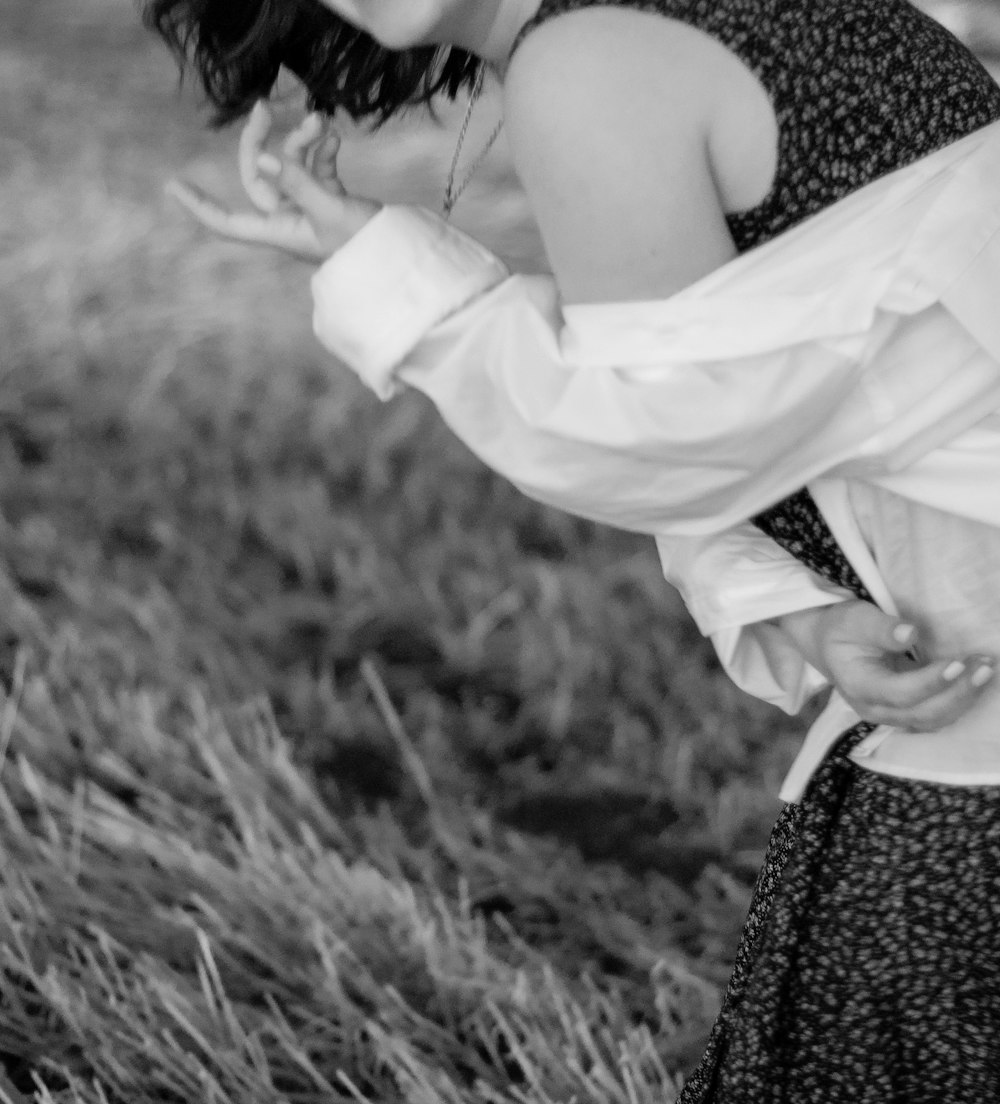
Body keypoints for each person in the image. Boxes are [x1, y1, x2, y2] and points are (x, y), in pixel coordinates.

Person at [146, 0, 1000, 1099]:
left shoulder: (587, 58)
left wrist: (385, 273)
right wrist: (803, 610)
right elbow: (781, 384)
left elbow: (652, 435)